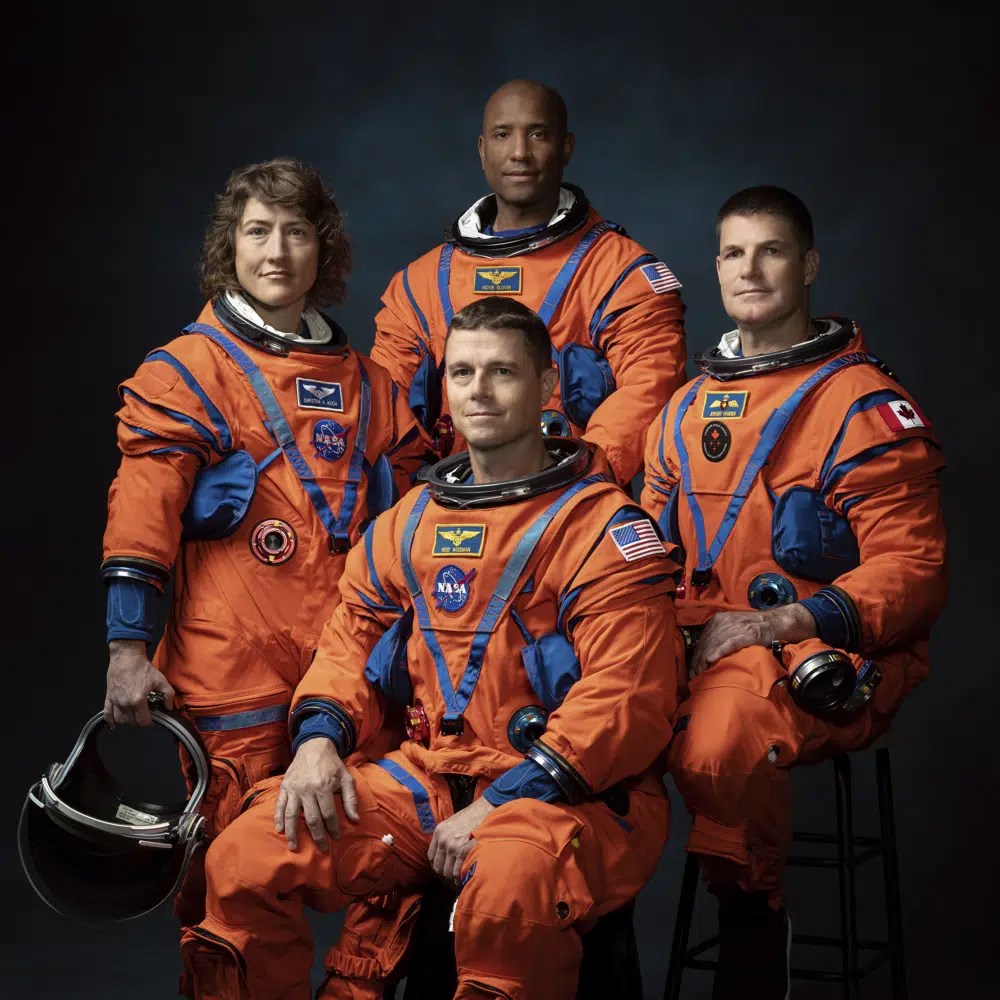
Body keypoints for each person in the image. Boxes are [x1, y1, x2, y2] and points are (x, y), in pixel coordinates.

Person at [179, 296, 682, 1000]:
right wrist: (320, 739)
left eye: (502, 372)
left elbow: (629, 699)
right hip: (429, 780)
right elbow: (348, 641)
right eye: (463, 372)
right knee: (244, 855)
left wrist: (506, 796)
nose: (477, 390)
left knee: (507, 889)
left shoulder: (601, 529)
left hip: (572, 795)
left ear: (545, 389)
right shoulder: (409, 522)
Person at [100, 157, 426, 989]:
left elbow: (430, 518)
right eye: (257, 232)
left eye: (295, 231)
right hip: (229, 681)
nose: (276, 250)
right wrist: (127, 647)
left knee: (381, 862)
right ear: (229, 247)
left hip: (353, 675)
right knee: (231, 886)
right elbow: (142, 515)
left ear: (325, 249)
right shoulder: (186, 372)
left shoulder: (373, 389)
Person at [641, 186, 947, 999]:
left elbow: (912, 572)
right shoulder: (681, 411)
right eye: (735, 253)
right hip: (692, 643)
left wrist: (783, 619)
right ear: (715, 269)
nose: (751, 269)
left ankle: (752, 917)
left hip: (817, 650)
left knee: (719, 739)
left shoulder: (863, 408)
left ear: (808, 264)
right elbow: (641, 556)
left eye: (771, 250)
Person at [370, 78, 687, 486]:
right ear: (483, 150)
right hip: (448, 510)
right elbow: (384, 409)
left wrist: (574, 488)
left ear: (566, 147)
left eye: (538, 134)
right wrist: (415, 504)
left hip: (569, 509)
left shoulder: (619, 272)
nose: (519, 153)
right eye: (503, 135)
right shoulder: (420, 284)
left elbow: (649, 389)